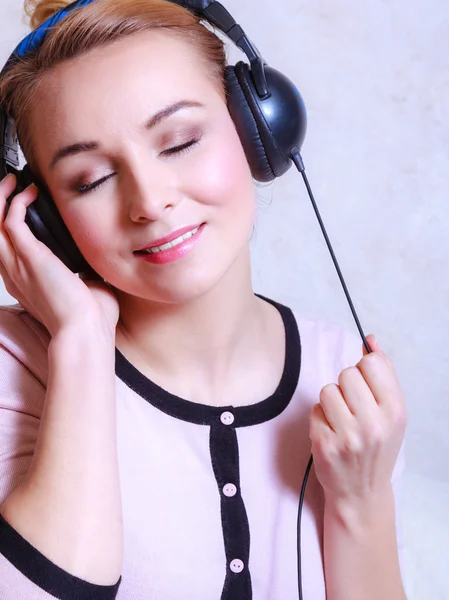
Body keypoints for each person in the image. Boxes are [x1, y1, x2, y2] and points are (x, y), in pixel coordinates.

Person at [0, 1, 407, 599]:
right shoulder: (16, 366)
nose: (149, 200)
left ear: (258, 128)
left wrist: (360, 503)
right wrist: (81, 342)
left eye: (180, 141)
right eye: (90, 179)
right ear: (43, 220)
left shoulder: (346, 383)